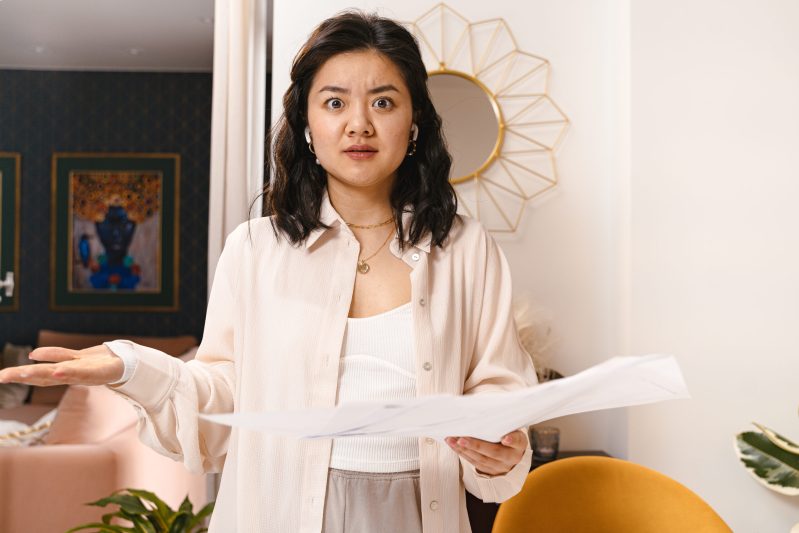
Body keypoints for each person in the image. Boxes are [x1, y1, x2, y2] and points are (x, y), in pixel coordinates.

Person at [0, 11, 537, 533]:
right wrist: (131, 368)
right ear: (306, 125)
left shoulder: (466, 248)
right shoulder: (255, 250)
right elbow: (223, 401)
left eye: (383, 101)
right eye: (334, 102)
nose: (359, 123)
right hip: (280, 511)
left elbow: (499, 392)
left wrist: (498, 446)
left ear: (414, 122)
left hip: (421, 513)